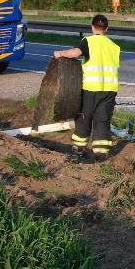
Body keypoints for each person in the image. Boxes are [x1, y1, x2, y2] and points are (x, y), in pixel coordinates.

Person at [53, 14, 121, 162]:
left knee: (83, 118)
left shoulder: (88, 41)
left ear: (92, 27)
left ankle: (79, 149)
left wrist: (60, 54)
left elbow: (74, 53)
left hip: (90, 89)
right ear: (107, 29)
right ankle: (101, 154)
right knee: (102, 120)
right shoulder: (114, 46)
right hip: (109, 90)